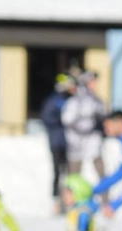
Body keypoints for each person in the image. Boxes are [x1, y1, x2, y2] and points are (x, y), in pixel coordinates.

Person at [62, 71, 106, 179]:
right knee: (74, 174)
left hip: (92, 139)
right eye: (93, 82)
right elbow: (67, 119)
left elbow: (104, 114)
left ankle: (105, 195)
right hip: (76, 140)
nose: (95, 84)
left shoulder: (96, 100)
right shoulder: (75, 101)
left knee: (100, 171)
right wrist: (81, 127)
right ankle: (71, 195)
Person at [40, 74, 74, 214]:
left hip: (69, 142)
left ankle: (68, 200)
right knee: (57, 172)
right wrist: (60, 120)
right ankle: (55, 200)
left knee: (69, 173)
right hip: (56, 141)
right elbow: (47, 118)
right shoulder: (53, 100)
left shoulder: (70, 100)